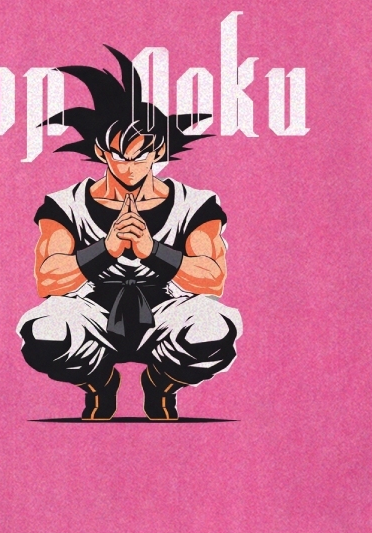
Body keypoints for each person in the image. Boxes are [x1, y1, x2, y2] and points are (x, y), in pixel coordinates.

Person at [16, 46, 243, 420]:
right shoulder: (65, 204)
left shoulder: (195, 204)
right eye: (120, 154)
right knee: (44, 330)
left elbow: (212, 279)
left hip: (167, 312)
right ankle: (101, 383)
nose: (130, 165)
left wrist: (152, 249)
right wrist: (106, 248)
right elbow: (48, 278)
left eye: (141, 154)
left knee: (212, 326)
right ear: (102, 151)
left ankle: (161, 383)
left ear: (159, 151)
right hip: (91, 313)